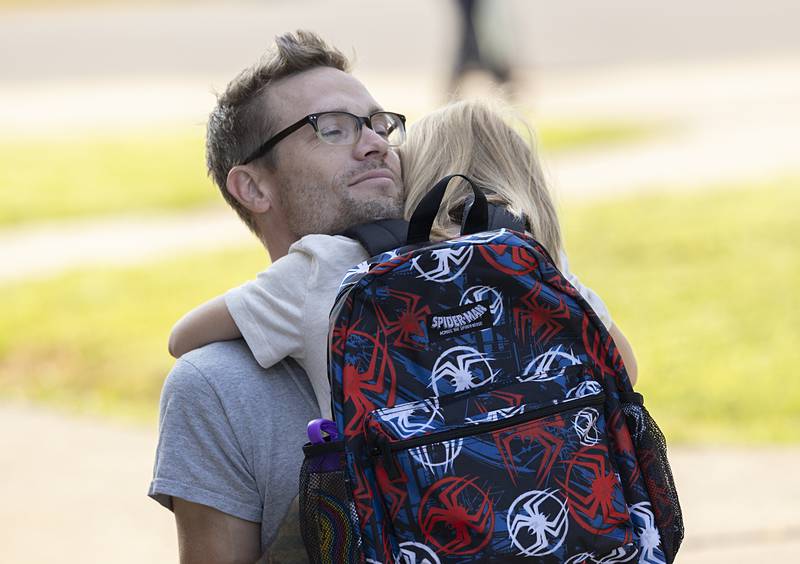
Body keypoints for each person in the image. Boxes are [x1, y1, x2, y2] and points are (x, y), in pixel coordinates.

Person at [149, 30, 405, 563]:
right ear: (253, 187)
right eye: (331, 129)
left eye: (380, 125)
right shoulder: (217, 389)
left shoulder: (483, 300)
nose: (376, 143)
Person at [400, 99, 638, 381]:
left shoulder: (399, 258)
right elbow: (624, 369)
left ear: (417, 174)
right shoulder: (529, 252)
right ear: (524, 179)